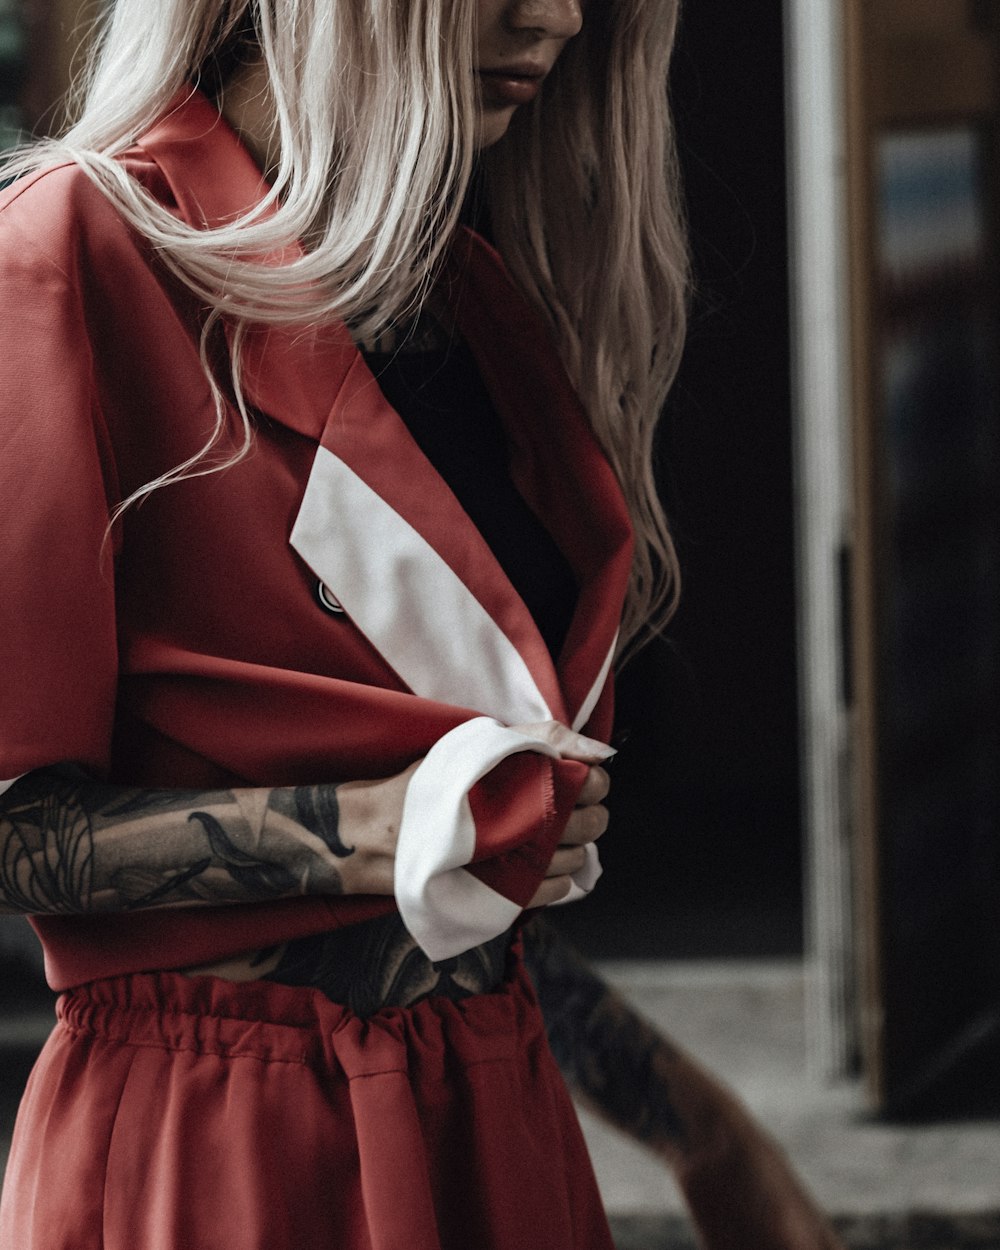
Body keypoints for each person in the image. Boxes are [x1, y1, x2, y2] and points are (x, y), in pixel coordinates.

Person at [0, 2, 843, 1247]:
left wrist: (695, 1124)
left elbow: (448, 903)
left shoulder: (466, 291)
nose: (556, 14)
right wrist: (387, 820)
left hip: (490, 1114)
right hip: (217, 1147)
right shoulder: (70, 252)